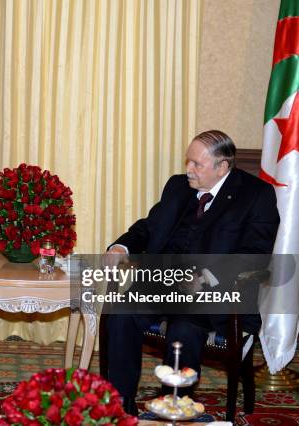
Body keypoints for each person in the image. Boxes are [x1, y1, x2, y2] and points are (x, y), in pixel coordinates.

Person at [102, 130, 279, 416]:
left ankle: (173, 409)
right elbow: (149, 226)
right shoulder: (178, 186)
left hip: (214, 293)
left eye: (197, 164)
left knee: (182, 330)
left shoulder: (256, 195)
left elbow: (255, 254)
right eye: (189, 161)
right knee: (122, 314)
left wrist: (206, 277)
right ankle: (120, 407)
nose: (189, 169)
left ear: (223, 167)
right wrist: (123, 246)